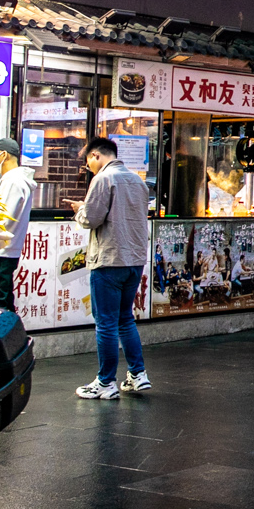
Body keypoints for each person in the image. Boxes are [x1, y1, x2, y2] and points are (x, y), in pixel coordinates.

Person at [71, 137, 151, 398]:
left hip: (109, 260)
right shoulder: (138, 181)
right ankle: (138, 375)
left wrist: (80, 209)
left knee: (105, 323)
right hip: (135, 261)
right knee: (125, 318)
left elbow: (91, 218)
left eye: (88, 164)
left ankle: (106, 383)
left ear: (96, 156)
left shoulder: (103, 179)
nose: (89, 169)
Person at [0, 138, 35, 312]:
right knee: (2, 297)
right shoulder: (16, 180)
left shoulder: (13, 181)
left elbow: (3, 219)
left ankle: (6, 337)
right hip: (5, 250)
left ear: (4, 155)